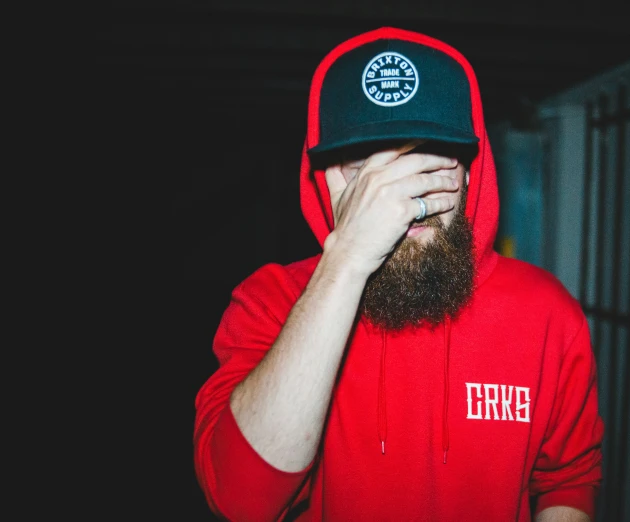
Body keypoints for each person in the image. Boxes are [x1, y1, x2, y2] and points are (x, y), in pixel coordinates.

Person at [194, 27, 604, 522]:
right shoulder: (270, 302)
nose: (401, 196)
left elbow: (567, 481)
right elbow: (241, 499)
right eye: (366, 166)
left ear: (469, 169)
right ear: (325, 178)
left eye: (426, 161)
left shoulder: (546, 314)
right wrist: (345, 258)